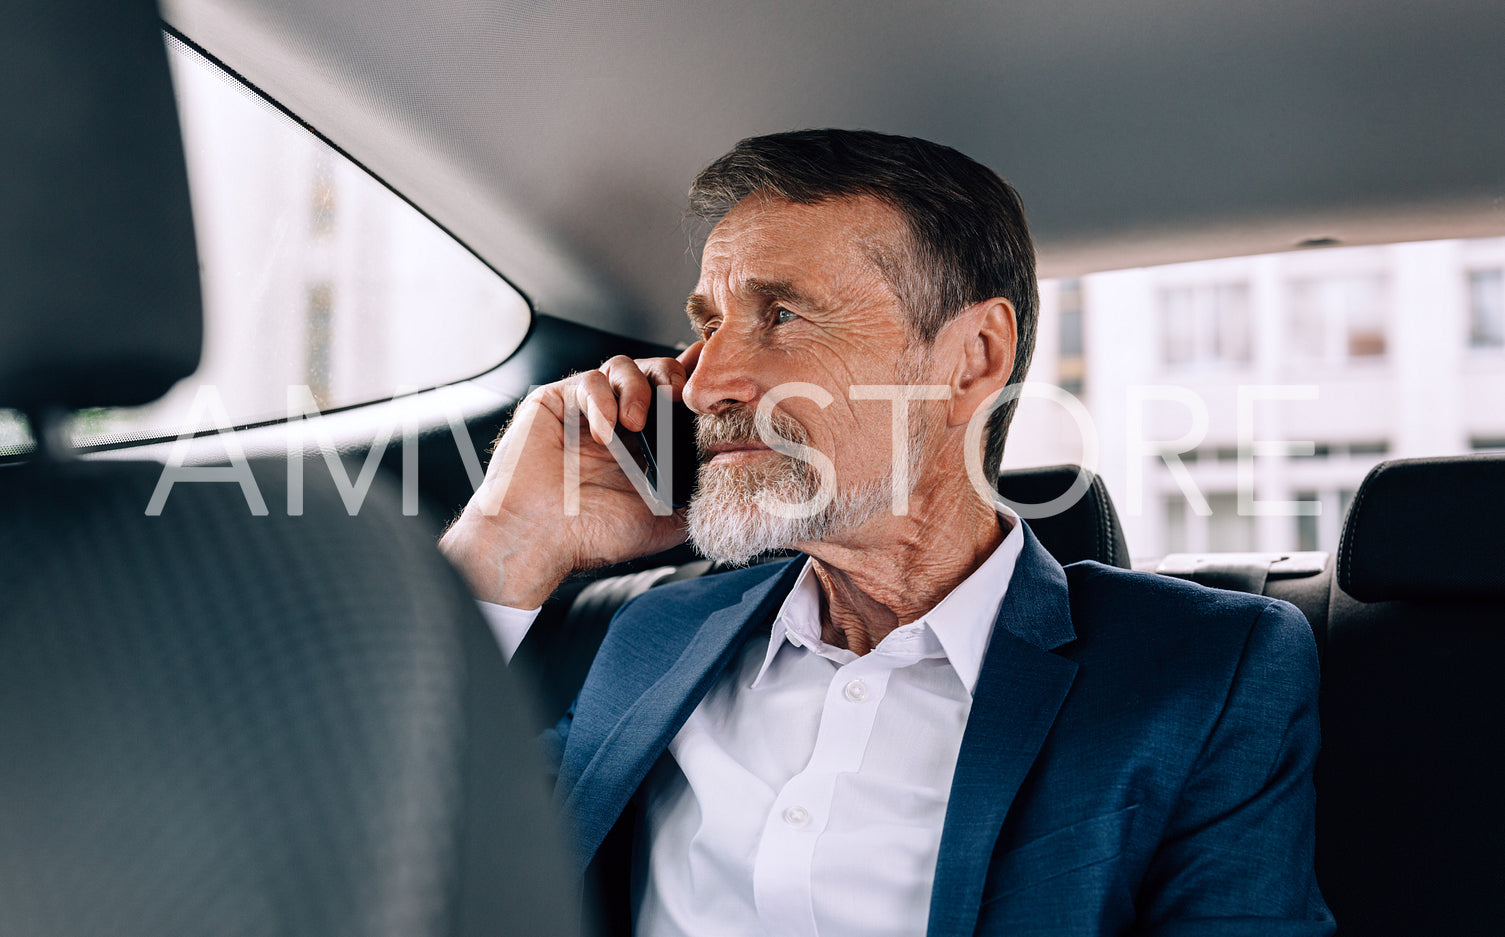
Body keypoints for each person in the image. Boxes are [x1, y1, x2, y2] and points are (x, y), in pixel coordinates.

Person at [439, 129, 1334, 937]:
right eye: (706, 326)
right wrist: (509, 539)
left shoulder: (1204, 670)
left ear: (971, 358)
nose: (708, 383)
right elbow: (401, 854)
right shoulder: (654, 634)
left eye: (781, 315)